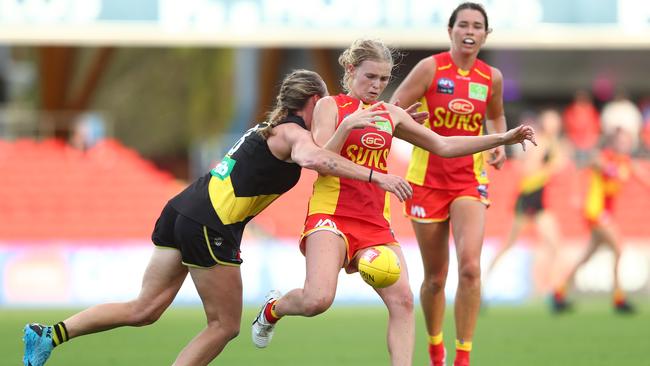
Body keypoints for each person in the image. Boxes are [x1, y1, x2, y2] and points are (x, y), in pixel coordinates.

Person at [21, 69, 415, 366]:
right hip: (211, 224)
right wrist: (376, 174)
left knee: (144, 308)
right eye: (324, 105)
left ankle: (49, 335)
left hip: (181, 209)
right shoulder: (294, 133)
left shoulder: (267, 127)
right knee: (225, 326)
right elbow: (317, 159)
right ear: (312, 102)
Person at [251, 38, 536, 366]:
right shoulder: (331, 107)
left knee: (402, 301)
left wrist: (501, 137)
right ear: (351, 69)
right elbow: (319, 160)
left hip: (374, 222)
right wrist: (347, 127)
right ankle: (274, 309)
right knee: (317, 301)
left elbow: (442, 144)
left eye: (384, 79)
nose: (377, 86)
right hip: (332, 215)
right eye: (370, 77)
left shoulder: (391, 115)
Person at [389, 3, 510, 365]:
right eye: (463, 24)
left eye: (477, 25)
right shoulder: (430, 68)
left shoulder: (492, 77)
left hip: (470, 179)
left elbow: (496, 114)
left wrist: (498, 141)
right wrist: (413, 124)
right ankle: (436, 347)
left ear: (486, 34)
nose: (470, 30)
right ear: (451, 30)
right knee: (436, 278)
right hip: (426, 180)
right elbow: (394, 108)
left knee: (470, 267)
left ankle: (462, 357)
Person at [551, 128, 650, 314]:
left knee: (587, 256)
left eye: (627, 142)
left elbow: (644, 180)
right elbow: (581, 171)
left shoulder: (626, 163)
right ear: (613, 143)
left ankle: (559, 293)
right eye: (622, 141)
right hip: (595, 212)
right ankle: (619, 299)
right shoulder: (603, 158)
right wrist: (575, 194)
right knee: (618, 248)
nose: (626, 145)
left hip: (606, 214)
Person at [485, 109, 569, 297]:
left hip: (538, 198)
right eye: (551, 121)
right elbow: (529, 170)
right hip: (529, 196)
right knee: (509, 244)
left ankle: (553, 290)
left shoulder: (552, 143)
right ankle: (483, 284)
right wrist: (552, 168)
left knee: (554, 245)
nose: (554, 126)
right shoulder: (541, 142)